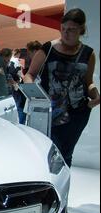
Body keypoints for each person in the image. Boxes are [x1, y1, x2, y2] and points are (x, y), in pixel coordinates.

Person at [24, 8, 100, 167]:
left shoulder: (88, 53)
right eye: (63, 29)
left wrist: (96, 95)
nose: (66, 33)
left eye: (71, 30)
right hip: (48, 112)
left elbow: (88, 82)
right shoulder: (48, 48)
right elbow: (29, 74)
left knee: (65, 154)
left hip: (77, 113)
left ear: (81, 29)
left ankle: (61, 188)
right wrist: (33, 92)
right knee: (43, 151)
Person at [8, 49, 26, 124]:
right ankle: (21, 123)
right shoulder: (16, 61)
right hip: (16, 87)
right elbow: (19, 74)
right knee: (19, 106)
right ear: (17, 53)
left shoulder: (8, 61)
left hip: (10, 87)